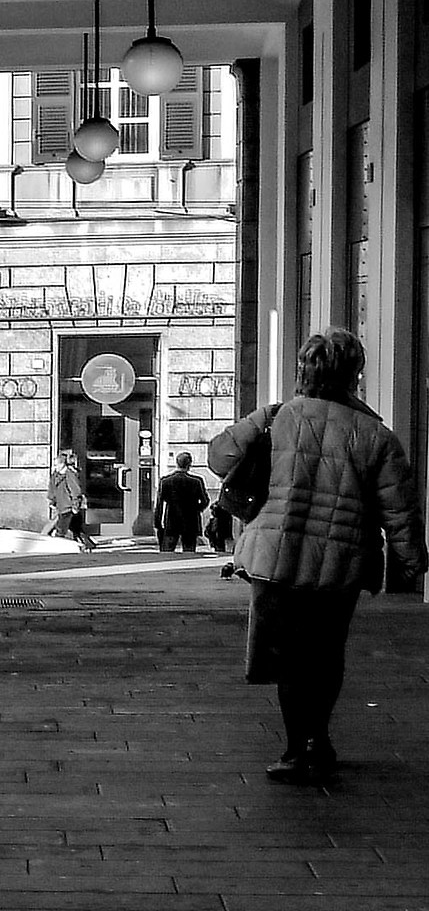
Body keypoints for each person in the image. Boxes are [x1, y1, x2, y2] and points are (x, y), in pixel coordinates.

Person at [209, 328, 424, 785]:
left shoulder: (275, 417)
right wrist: (410, 559)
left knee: (288, 658)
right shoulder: (375, 435)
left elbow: (219, 457)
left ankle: (294, 747)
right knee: (325, 653)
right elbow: (399, 507)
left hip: (275, 558)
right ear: (354, 375)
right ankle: (317, 739)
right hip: (340, 563)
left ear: (306, 370)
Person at [155, 451, 210, 553]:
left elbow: (159, 504)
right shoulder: (196, 481)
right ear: (189, 464)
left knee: (167, 551)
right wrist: (196, 509)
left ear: (177, 463)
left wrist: (158, 522)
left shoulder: (165, 481)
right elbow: (205, 500)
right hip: (190, 519)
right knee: (189, 551)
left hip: (172, 519)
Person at [47, 452, 96, 550]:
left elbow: (75, 491)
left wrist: (75, 506)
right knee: (76, 529)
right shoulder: (56, 475)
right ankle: (88, 544)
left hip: (68, 507)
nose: (55, 467)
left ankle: (57, 547)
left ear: (62, 464)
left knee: (61, 530)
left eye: (56, 465)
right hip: (62, 505)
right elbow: (53, 490)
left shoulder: (70, 474)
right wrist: (52, 501)